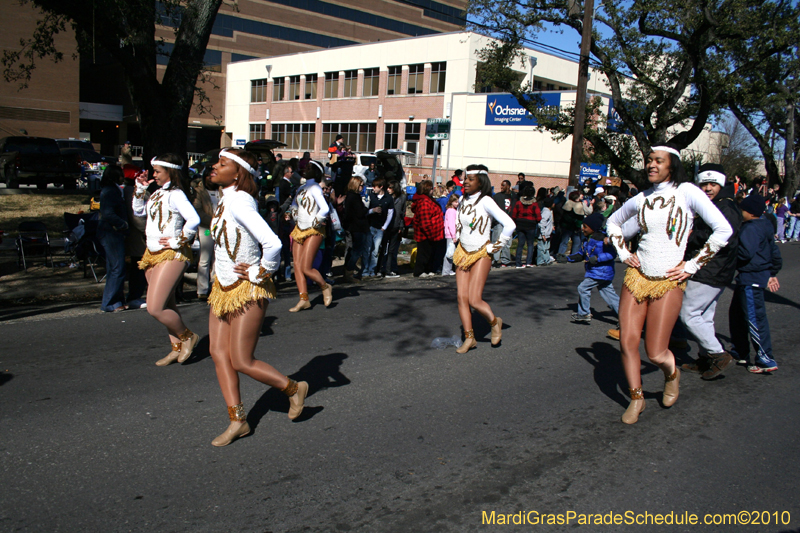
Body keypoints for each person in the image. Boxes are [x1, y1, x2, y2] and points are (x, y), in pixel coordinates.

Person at [606, 144, 732, 424]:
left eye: (658, 161)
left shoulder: (687, 192)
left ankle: (670, 373)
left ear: (671, 165)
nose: (651, 165)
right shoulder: (641, 198)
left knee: (655, 351)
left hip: (668, 281)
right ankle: (636, 399)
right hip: (637, 278)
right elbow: (613, 223)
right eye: (649, 160)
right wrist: (624, 253)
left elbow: (724, 230)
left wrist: (692, 265)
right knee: (627, 342)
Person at [205, 148, 308, 447]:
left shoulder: (240, 201)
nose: (214, 166)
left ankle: (292, 388)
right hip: (222, 288)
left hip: (247, 288)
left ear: (238, 173)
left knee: (241, 359)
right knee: (218, 353)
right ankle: (238, 421)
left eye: (221, 164)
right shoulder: (225, 199)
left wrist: (258, 273)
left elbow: (273, 243)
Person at [133, 154, 202, 366]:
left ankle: (187, 336)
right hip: (151, 253)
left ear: (169, 172)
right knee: (167, 303)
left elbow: (194, 219)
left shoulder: (176, 194)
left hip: (172, 254)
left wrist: (177, 240)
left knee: (155, 307)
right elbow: (138, 212)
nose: (153, 175)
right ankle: (176, 347)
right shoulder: (156, 194)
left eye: (157, 171)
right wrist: (139, 190)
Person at [679, 164, 742, 379]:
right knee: (704, 316)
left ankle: (718, 354)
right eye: (704, 183)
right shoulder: (716, 204)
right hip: (714, 268)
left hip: (711, 268)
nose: (707, 188)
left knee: (689, 315)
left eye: (712, 183)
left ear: (721, 184)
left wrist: (690, 237)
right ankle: (706, 359)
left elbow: (725, 237)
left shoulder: (726, 207)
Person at [452, 165, 515, 353]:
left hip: (481, 253)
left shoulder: (486, 201)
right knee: (461, 297)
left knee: (474, 299)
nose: (466, 182)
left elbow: (509, 225)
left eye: (471, 179)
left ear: (481, 181)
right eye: (465, 178)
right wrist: (457, 234)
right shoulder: (462, 199)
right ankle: (469, 338)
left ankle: (494, 323)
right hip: (463, 252)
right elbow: (459, 220)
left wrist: (496, 246)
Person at [728, 194, 782, 374]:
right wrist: (773, 272)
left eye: (742, 209)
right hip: (751, 278)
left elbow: (745, 253)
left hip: (751, 278)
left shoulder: (749, 229)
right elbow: (774, 252)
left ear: (750, 213)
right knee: (737, 315)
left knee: (755, 319)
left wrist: (730, 250)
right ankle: (740, 351)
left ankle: (765, 357)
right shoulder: (765, 225)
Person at [288, 160, 332, 311]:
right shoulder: (301, 188)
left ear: (317, 172)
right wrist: (293, 213)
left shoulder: (315, 187)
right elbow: (294, 204)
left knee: (307, 268)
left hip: (314, 230)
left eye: (310, 168)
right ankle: (303, 299)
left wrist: (317, 221)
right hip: (299, 229)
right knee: (298, 266)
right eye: (306, 167)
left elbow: (325, 208)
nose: (306, 169)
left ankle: (325, 287)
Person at [568, 212, 619, 327]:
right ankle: (626, 316)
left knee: (583, 287)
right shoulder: (587, 239)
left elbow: (612, 254)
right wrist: (567, 258)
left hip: (601, 272)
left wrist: (597, 258)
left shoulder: (603, 240)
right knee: (610, 295)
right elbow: (581, 254)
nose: (582, 229)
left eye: (585, 226)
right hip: (598, 272)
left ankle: (584, 313)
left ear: (594, 227)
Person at [98, 165, 129, 312]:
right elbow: (108, 213)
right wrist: (122, 224)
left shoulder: (112, 189)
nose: (123, 177)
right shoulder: (110, 191)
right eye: (120, 174)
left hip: (112, 232)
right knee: (117, 267)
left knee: (114, 268)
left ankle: (116, 301)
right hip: (111, 232)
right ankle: (110, 302)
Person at [411, 180, 445, 278]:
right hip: (426, 234)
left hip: (433, 232)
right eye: (431, 188)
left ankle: (428, 269)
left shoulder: (429, 200)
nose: (432, 190)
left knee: (430, 253)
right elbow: (424, 221)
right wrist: (431, 234)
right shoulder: (424, 202)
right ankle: (419, 271)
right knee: (424, 253)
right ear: (426, 189)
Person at [364, 177, 395, 277]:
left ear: (381, 187)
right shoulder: (371, 196)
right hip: (370, 226)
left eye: (375, 187)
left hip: (380, 228)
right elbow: (364, 211)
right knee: (367, 249)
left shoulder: (388, 198)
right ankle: (365, 270)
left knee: (375, 251)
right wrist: (372, 210)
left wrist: (384, 227)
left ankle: (372, 270)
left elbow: (390, 214)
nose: (373, 189)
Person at [192, 174, 215, 300]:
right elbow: (198, 211)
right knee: (205, 258)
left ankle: (216, 287)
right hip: (206, 229)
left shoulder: (222, 190)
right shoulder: (199, 192)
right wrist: (214, 221)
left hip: (221, 228)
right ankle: (202, 289)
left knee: (218, 259)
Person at [343, 176, 370, 281]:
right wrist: (366, 208)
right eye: (361, 185)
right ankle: (349, 271)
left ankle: (348, 271)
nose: (362, 187)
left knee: (354, 249)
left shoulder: (351, 196)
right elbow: (359, 213)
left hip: (354, 226)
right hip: (357, 227)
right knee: (357, 250)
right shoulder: (354, 197)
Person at [511, 181, 541, 268]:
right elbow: (538, 217)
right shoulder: (534, 204)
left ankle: (518, 263)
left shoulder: (519, 203)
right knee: (530, 244)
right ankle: (528, 262)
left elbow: (514, 215)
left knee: (520, 244)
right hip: (531, 225)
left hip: (520, 224)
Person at [382, 180, 407, 278]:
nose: (388, 189)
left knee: (392, 250)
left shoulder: (402, 198)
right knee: (384, 248)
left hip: (396, 226)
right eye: (387, 187)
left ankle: (390, 268)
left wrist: (401, 226)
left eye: (390, 187)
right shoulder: (387, 197)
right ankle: (382, 268)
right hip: (386, 225)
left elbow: (402, 213)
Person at [491, 180, 514, 267]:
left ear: (508, 186)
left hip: (509, 223)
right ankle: (494, 260)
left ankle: (505, 260)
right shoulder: (497, 197)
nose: (501, 187)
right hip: (499, 223)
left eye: (503, 185)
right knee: (496, 241)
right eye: (501, 185)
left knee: (507, 243)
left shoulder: (513, 197)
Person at [557, 191, 585, 257]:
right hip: (571, 227)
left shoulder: (568, 203)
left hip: (568, 226)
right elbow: (580, 218)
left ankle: (562, 255)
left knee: (566, 242)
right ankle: (571, 256)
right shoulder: (578, 205)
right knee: (575, 242)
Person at [441, 194, 459, 276]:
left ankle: (448, 269)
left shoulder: (450, 210)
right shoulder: (452, 211)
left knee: (450, 252)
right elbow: (451, 224)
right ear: (451, 202)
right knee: (450, 253)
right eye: (455, 202)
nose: (457, 204)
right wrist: (454, 236)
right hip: (451, 235)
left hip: (450, 234)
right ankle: (446, 271)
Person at [537, 197, 555, 266]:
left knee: (546, 248)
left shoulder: (547, 211)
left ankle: (546, 260)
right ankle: (540, 261)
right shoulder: (546, 212)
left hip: (547, 233)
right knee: (542, 248)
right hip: (543, 234)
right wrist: (543, 234)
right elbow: (542, 223)